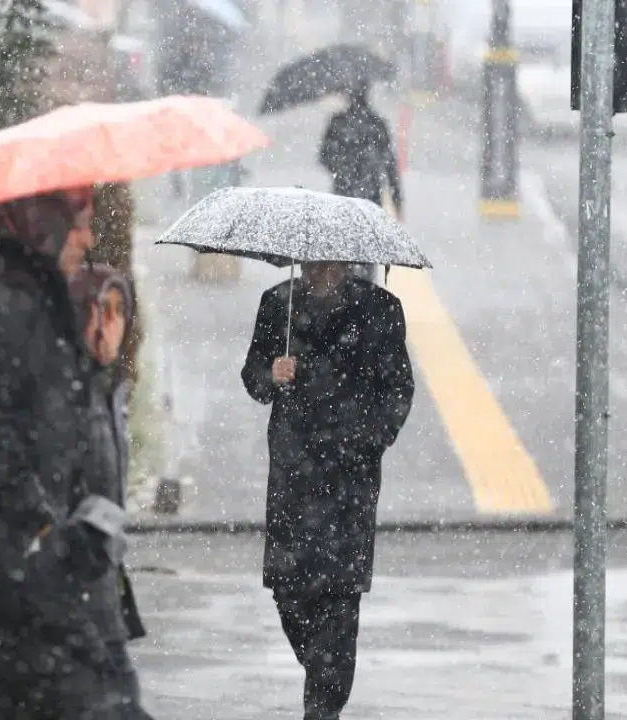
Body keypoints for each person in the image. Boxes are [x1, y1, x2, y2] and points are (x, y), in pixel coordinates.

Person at [0, 188, 133, 720]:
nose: (87, 236)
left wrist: (94, 361)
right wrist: (46, 537)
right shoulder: (14, 310)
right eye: (78, 222)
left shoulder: (42, 303)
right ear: (44, 226)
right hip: (28, 578)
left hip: (34, 576)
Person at [240, 261, 415, 720]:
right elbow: (253, 377)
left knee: (340, 596)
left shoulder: (379, 309)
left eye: (332, 259)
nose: (322, 268)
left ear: (349, 261)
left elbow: (398, 388)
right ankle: (323, 677)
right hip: (292, 474)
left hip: (349, 480)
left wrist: (367, 441)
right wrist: (271, 374)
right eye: (314, 259)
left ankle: (325, 705)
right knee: (289, 592)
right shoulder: (279, 304)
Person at [68, 262, 153, 719]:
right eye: (100, 310)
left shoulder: (109, 389)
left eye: (120, 311)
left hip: (101, 576)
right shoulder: (62, 389)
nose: (110, 324)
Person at [318, 82, 404, 283]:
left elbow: (323, 157)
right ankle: (364, 300)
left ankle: (345, 296)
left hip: (342, 198)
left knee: (343, 254)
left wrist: (340, 166)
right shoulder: (377, 123)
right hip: (370, 199)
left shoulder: (337, 123)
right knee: (367, 255)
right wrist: (397, 198)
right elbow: (390, 165)